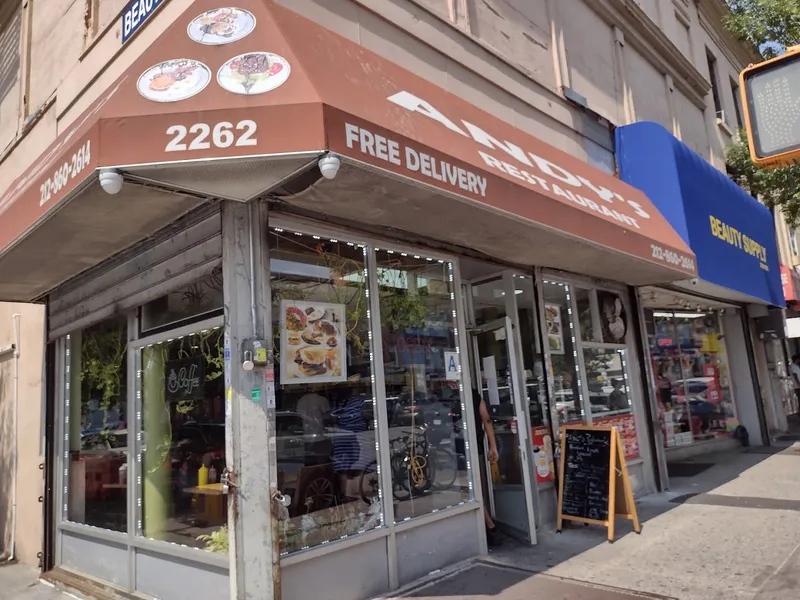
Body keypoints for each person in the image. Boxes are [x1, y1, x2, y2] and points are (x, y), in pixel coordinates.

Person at [472, 386, 500, 546]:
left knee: (472, 492)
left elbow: (486, 418)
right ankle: (490, 527)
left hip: (463, 449)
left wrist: (493, 446)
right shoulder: (472, 392)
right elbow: (486, 418)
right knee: (474, 490)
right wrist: (493, 445)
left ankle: (491, 527)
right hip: (474, 448)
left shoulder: (445, 392)